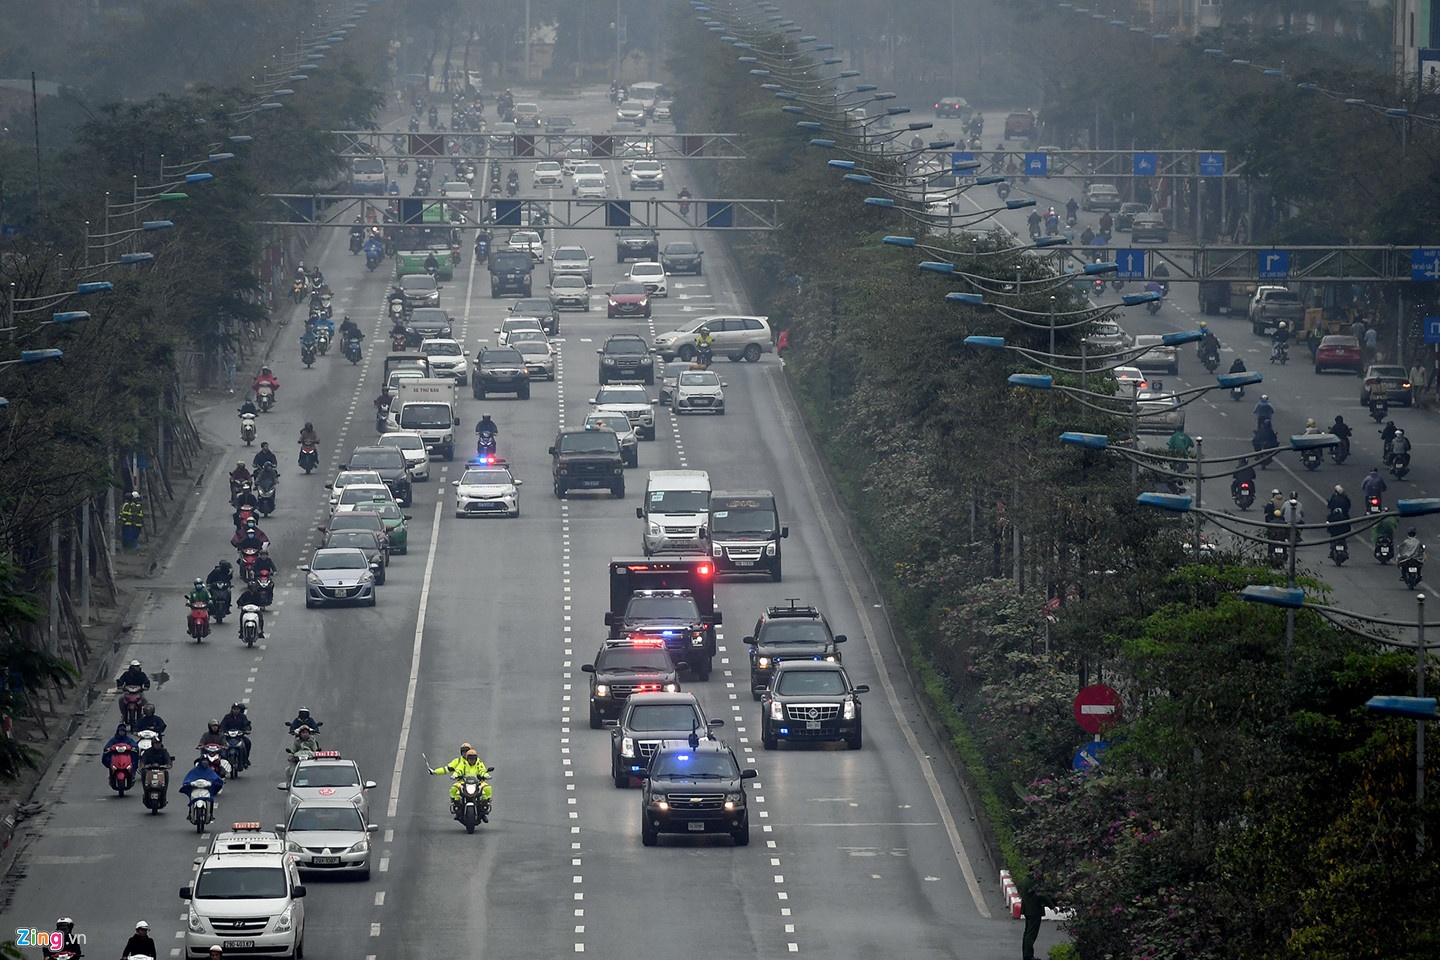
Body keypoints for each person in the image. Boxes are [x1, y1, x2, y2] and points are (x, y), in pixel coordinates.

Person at [220, 702, 252, 770]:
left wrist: (247, 730)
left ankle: (245, 760)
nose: (236, 710)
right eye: (234, 709)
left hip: (239, 737)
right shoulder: (227, 717)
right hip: (228, 737)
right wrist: (222, 731)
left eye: (237, 709)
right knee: (221, 745)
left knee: (247, 743)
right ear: (232, 709)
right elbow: (222, 725)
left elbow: (246, 724)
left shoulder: (242, 717)